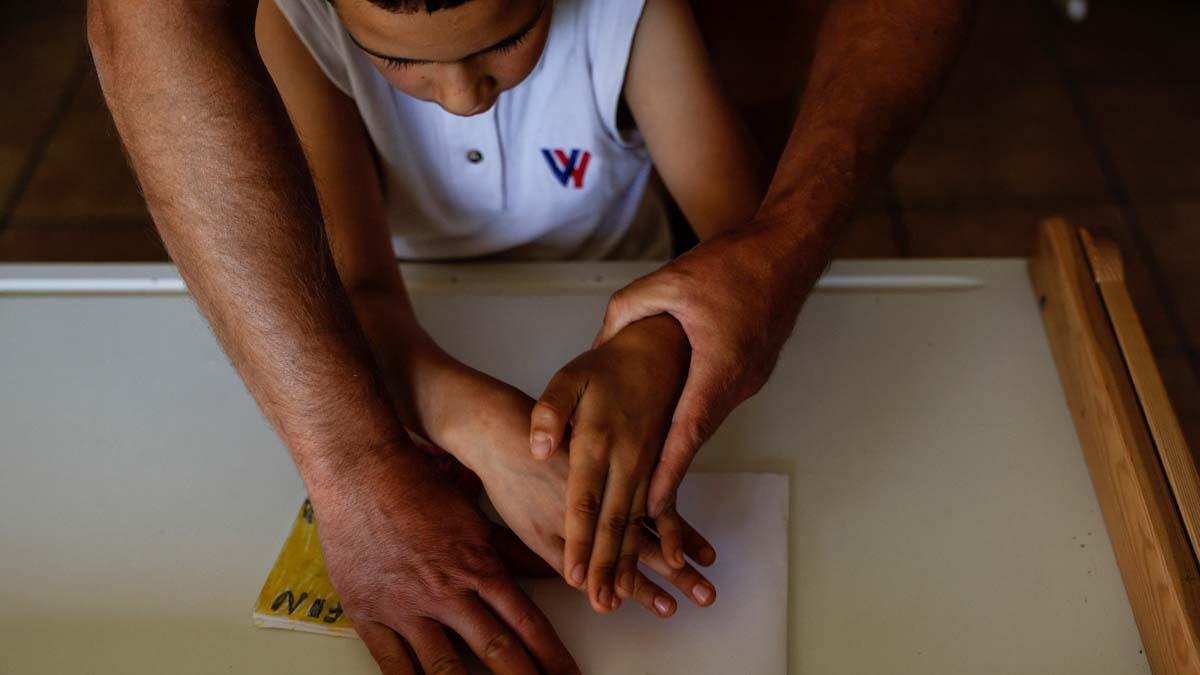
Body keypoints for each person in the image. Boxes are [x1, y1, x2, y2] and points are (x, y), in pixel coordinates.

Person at [87, 0, 971, 672]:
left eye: (505, 42)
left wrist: (656, 342)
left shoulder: (631, 14)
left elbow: (732, 240)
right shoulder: (299, 26)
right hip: (431, 313)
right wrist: (480, 429)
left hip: (616, 294)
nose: (465, 98)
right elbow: (359, 291)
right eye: (397, 59)